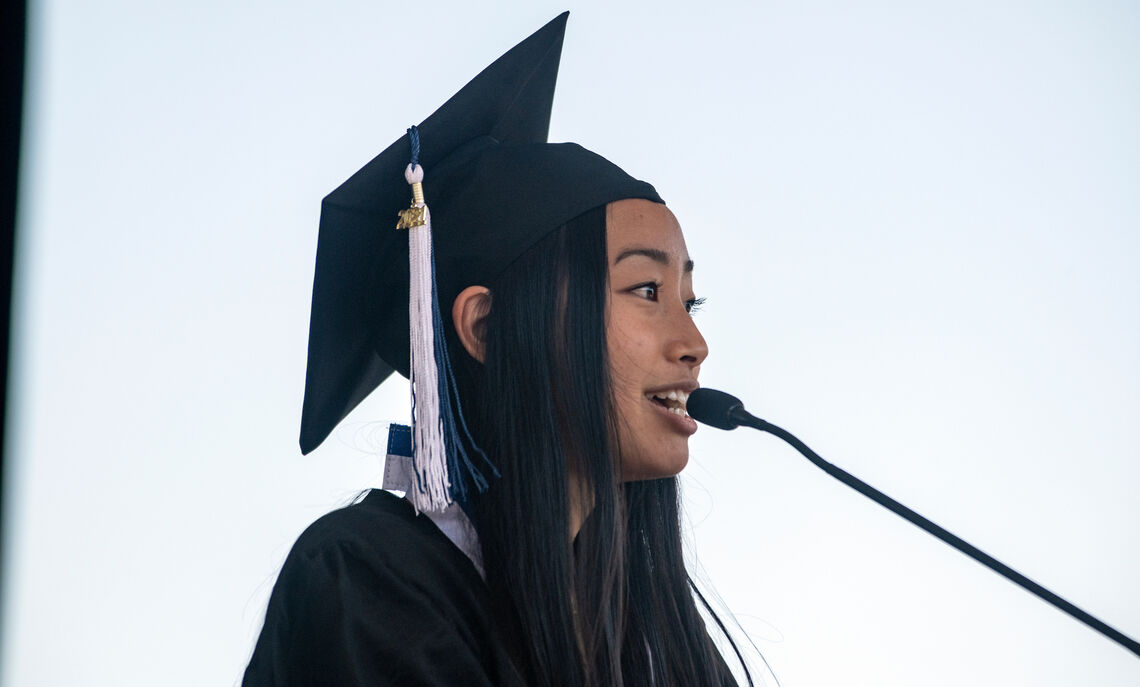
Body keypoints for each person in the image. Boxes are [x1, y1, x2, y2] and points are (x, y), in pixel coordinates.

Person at [243, 13, 751, 687]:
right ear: (484, 327)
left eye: (690, 302)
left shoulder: (649, 647)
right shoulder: (371, 584)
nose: (694, 344)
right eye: (647, 288)